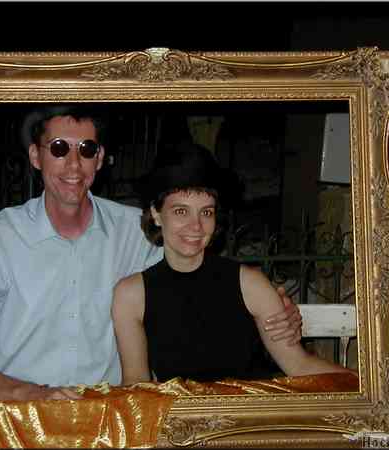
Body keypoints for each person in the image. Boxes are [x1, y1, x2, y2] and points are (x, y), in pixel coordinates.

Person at [0, 105, 303, 401]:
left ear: (100, 158)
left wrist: (274, 309)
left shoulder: (138, 232)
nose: (74, 165)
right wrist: (27, 393)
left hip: (112, 415)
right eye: (60, 148)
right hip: (20, 415)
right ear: (36, 156)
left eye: (87, 149)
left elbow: (202, 280)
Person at [112, 142, 355, 384]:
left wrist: (368, 387)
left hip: (249, 407)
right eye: (181, 211)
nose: (196, 226)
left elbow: (298, 365)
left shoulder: (249, 283)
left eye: (206, 212)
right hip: (179, 410)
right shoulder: (131, 295)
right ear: (156, 214)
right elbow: (136, 384)